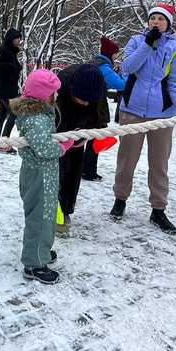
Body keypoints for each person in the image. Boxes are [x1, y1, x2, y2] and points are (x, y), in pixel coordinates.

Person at [110, 4, 176, 234]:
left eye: (161, 19)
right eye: (152, 18)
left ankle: (158, 209)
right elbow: (126, 67)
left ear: (169, 23)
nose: (156, 22)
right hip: (132, 111)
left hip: (161, 115)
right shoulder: (136, 41)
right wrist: (148, 44)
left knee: (159, 164)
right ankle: (120, 199)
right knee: (126, 160)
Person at [10, 70, 68, 285]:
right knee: (39, 218)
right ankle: (33, 263)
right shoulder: (36, 119)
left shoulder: (41, 114)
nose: (57, 96)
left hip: (45, 175)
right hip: (39, 176)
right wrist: (62, 148)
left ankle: (41, 250)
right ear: (45, 95)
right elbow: (44, 147)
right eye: (55, 92)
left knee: (48, 215)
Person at [55, 63, 106, 236]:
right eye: (81, 99)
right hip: (60, 134)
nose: (85, 103)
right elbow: (53, 124)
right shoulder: (59, 89)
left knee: (74, 170)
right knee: (58, 172)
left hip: (79, 133)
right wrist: (65, 140)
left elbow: (98, 114)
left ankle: (67, 209)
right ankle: (55, 211)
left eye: (89, 101)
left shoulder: (96, 88)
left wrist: (86, 135)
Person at [82, 36, 127, 182]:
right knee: (94, 139)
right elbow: (120, 84)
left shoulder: (95, 63)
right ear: (109, 53)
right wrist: (128, 75)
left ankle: (85, 169)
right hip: (95, 107)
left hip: (87, 105)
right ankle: (88, 171)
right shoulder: (104, 67)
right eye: (115, 53)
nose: (116, 56)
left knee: (87, 138)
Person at [0, 28, 23, 141]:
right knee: (14, 113)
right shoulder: (3, 50)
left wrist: (17, 69)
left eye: (20, 38)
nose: (19, 40)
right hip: (5, 89)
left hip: (9, 88)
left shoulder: (11, 51)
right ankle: (4, 141)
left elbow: (14, 65)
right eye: (17, 38)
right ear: (11, 38)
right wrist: (12, 68)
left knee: (1, 116)